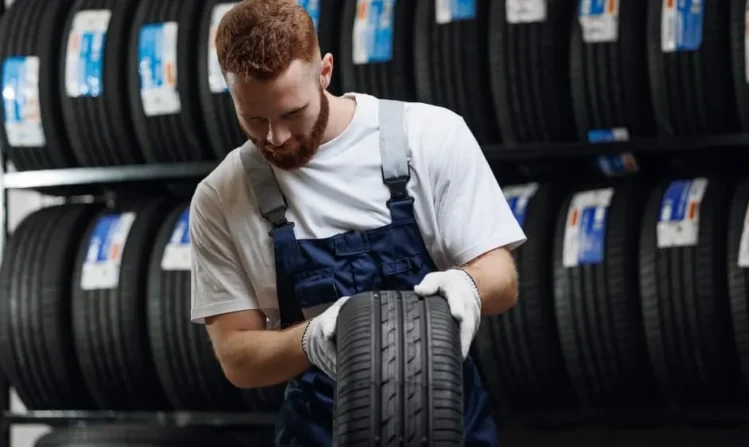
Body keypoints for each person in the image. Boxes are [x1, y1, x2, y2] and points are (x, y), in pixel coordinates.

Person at [188, 0, 525, 445]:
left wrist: (468, 285)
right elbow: (238, 358)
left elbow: (502, 280)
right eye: (253, 119)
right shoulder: (221, 197)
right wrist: (310, 340)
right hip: (320, 431)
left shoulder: (428, 136)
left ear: (324, 72)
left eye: (292, 113)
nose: (276, 137)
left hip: (447, 417)